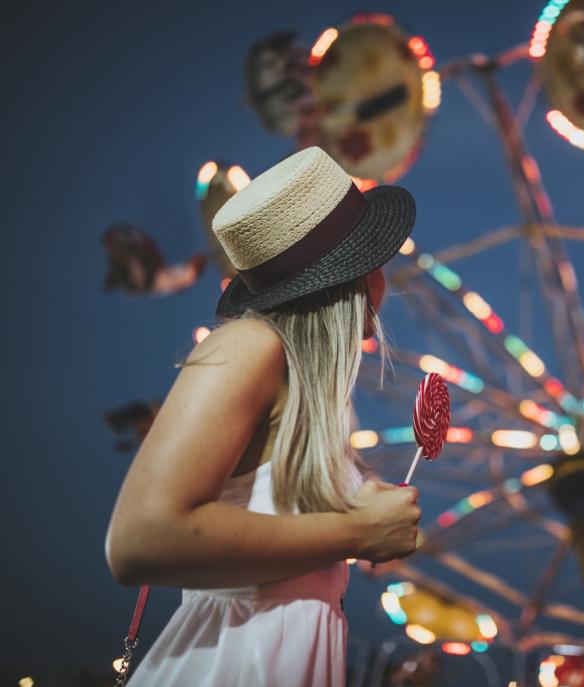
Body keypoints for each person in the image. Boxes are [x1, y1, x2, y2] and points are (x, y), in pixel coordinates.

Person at [105, 146, 421, 686]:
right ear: (365, 273)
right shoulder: (252, 344)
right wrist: (354, 530)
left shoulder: (302, 386)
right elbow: (139, 540)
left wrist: (360, 507)